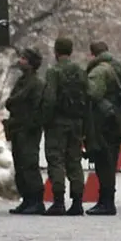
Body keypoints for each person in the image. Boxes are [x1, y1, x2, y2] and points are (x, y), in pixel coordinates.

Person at [40, 37, 88, 216]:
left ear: (56, 51)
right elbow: (87, 94)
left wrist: (45, 119)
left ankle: (59, 202)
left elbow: (50, 98)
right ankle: (77, 202)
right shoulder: (80, 71)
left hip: (58, 122)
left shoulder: (54, 72)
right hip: (77, 122)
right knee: (74, 160)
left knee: (56, 160)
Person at [85, 41, 121, 216]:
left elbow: (93, 93)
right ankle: (107, 200)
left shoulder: (100, 70)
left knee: (104, 162)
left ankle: (106, 202)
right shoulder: (118, 67)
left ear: (93, 54)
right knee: (110, 162)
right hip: (118, 120)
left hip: (103, 122)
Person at [4, 47, 46, 215]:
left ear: (31, 63)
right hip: (18, 128)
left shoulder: (36, 83)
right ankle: (27, 199)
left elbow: (36, 107)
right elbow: (11, 102)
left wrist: (31, 125)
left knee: (29, 165)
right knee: (20, 165)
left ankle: (36, 201)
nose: (20, 61)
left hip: (28, 129)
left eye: (24, 59)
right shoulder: (22, 81)